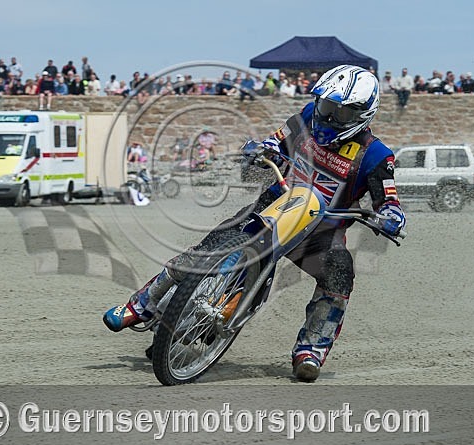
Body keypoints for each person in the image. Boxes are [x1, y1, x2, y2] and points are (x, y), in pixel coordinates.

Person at [102, 64, 405, 382]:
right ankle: (142, 303)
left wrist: (391, 217)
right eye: (326, 107)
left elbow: (389, 200)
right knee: (207, 248)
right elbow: (276, 141)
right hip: (272, 205)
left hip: (322, 231)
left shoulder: (376, 155)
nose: (327, 118)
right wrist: (264, 150)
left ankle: (310, 350)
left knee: (339, 278)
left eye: (338, 113)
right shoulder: (307, 115)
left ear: (361, 116)